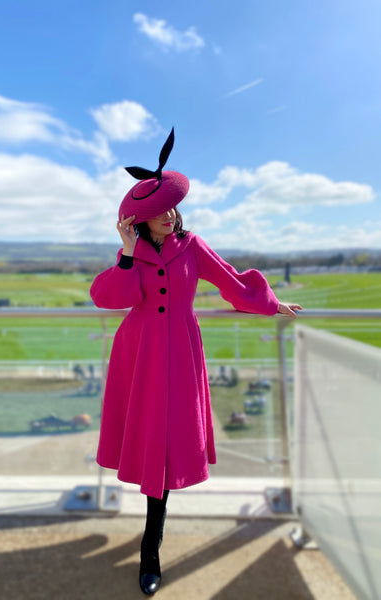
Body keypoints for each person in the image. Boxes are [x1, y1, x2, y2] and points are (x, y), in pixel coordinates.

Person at [90, 129, 302, 595]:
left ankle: (152, 541)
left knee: (168, 439)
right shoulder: (133, 254)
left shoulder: (192, 245)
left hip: (182, 351)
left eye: (170, 208)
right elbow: (110, 298)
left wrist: (272, 304)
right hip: (140, 353)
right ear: (137, 222)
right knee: (149, 437)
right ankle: (151, 550)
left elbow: (231, 283)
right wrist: (126, 254)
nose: (167, 216)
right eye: (155, 213)